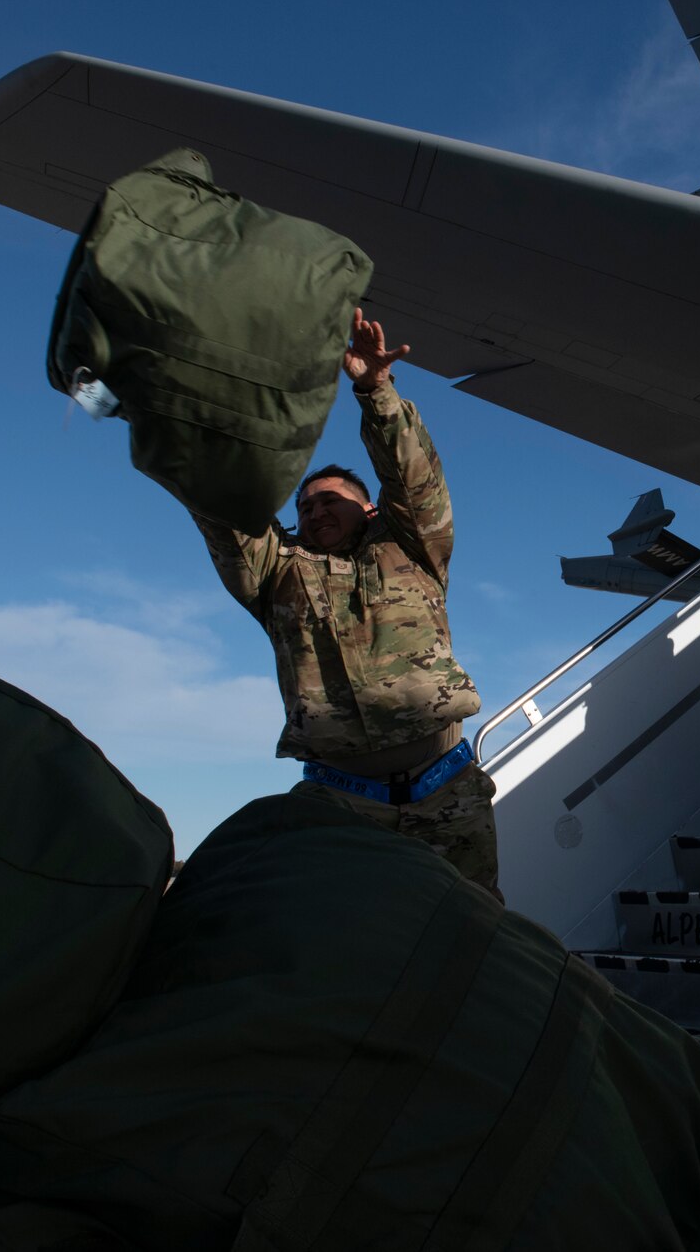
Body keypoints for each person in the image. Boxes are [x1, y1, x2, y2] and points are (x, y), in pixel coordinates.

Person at [190, 308, 501, 897]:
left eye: (330, 500)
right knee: (336, 942)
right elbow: (227, 511)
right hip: (339, 804)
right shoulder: (278, 572)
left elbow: (415, 479)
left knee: (473, 937)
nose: (313, 511)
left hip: (446, 794)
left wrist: (374, 389)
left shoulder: (414, 547)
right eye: (304, 507)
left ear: (371, 511)